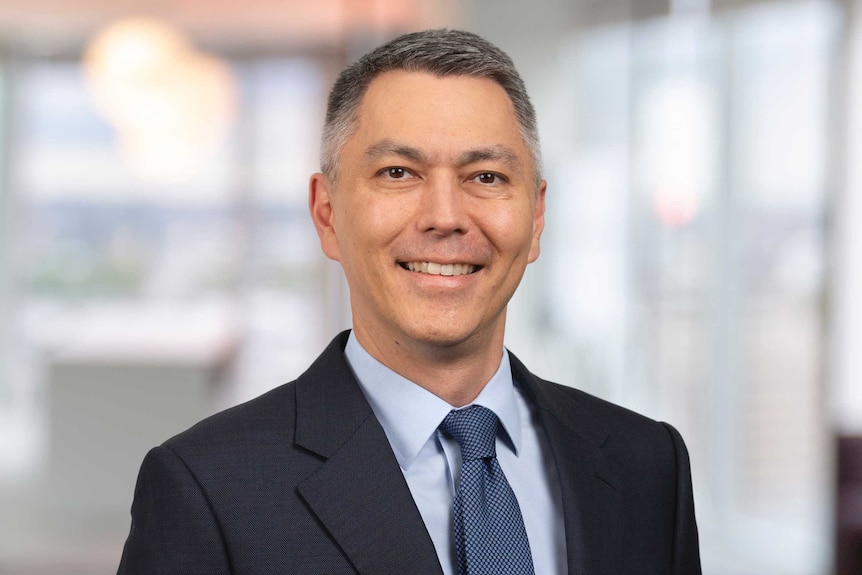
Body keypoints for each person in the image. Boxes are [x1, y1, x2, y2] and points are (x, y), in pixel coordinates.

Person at [117, 29, 701, 574]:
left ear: (537, 215)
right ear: (326, 213)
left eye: (487, 177)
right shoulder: (207, 489)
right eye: (398, 172)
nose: (445, 218)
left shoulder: (648, 464)